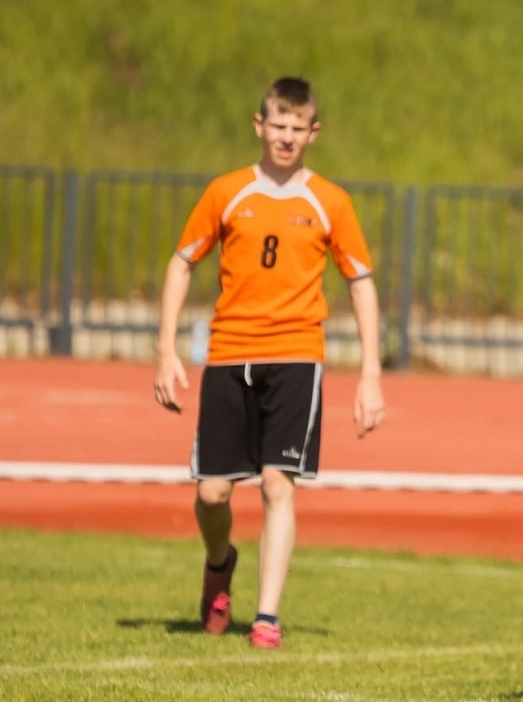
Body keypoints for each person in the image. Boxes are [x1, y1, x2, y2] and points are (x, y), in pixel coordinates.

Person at [152, 77, 385, 649]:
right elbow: (182, 262)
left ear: (313, 132)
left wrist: (371, 374)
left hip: (297, 357)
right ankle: (219, 562)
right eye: (277, 125)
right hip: (229, 354)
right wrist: (165, 348)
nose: (286, 136)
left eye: (296, 127)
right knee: (212, 494)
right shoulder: (226, 191)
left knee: (279, 484)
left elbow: (360, 282)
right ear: (260, 126)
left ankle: (266, 618)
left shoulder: (330, 201)